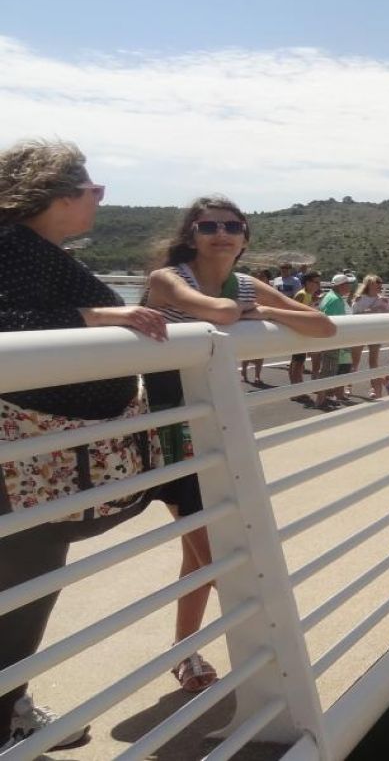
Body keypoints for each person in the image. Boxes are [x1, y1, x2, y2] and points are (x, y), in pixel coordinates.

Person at [0, 139, 169, 751]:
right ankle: (7, 718)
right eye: (90, 186)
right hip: (25, 460)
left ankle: (11, 706)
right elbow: (7, 323)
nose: (101, 195)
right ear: (52, 193)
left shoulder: (30, 250)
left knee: (27, 583)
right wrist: (102, 318)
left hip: (40, 458)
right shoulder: (11, 247)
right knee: (22, 586)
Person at [143, 196, 334, 693]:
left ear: (245, 237)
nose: (221, 233)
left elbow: (324, 326)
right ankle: (225, 654)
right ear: (191, 235)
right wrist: (247, 311)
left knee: (201, 555)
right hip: (169, 432)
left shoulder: (249, 286)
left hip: (220, 429)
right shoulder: (170, 278)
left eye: (233, 226)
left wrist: (264, 308)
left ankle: (184, 651)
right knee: (213, 552)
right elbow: (216, 311)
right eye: (209, 226)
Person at [314, 274, 353, 409]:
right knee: (328, 369)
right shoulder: (336, 300)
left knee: (327, 368)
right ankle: (320, 400)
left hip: (328, 339)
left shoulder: (329, 297)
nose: (349, 286)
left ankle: (323, 397)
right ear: (341, 285)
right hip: (332, 340)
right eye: (347, 284)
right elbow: (335, 322)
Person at [350, 275, 389, 399]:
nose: (380, 285)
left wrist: (385, 307)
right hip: (360, 332)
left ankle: (374, 388)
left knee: (373, 361)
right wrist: (372, 311)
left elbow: (388, 315)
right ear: (369, 285)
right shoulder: (359, 299)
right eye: (376, 283)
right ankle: (348, 386)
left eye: (380, 283)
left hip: (375, 332)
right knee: (354, 361)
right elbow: (354, 316)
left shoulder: (383, 300)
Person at [288, 271, 322, 400]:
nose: (318, 285)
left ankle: (297, 388)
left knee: (298, 361)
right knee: (297, 362)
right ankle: (296, 391)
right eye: (316, 282)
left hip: (302, 331)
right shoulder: (302, 295)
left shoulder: (308, 295)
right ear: (307, 282)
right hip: (298, 332)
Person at [240, 268, 275, 386]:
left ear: (267, 278)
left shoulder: (270, 291)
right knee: (247, 351)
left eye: (262, 276)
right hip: (249, 322)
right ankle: (244, 372)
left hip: (263, 323)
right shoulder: (249, 289)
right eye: (258, 276)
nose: (260, 278)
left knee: (260, 352)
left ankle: (257, 376)